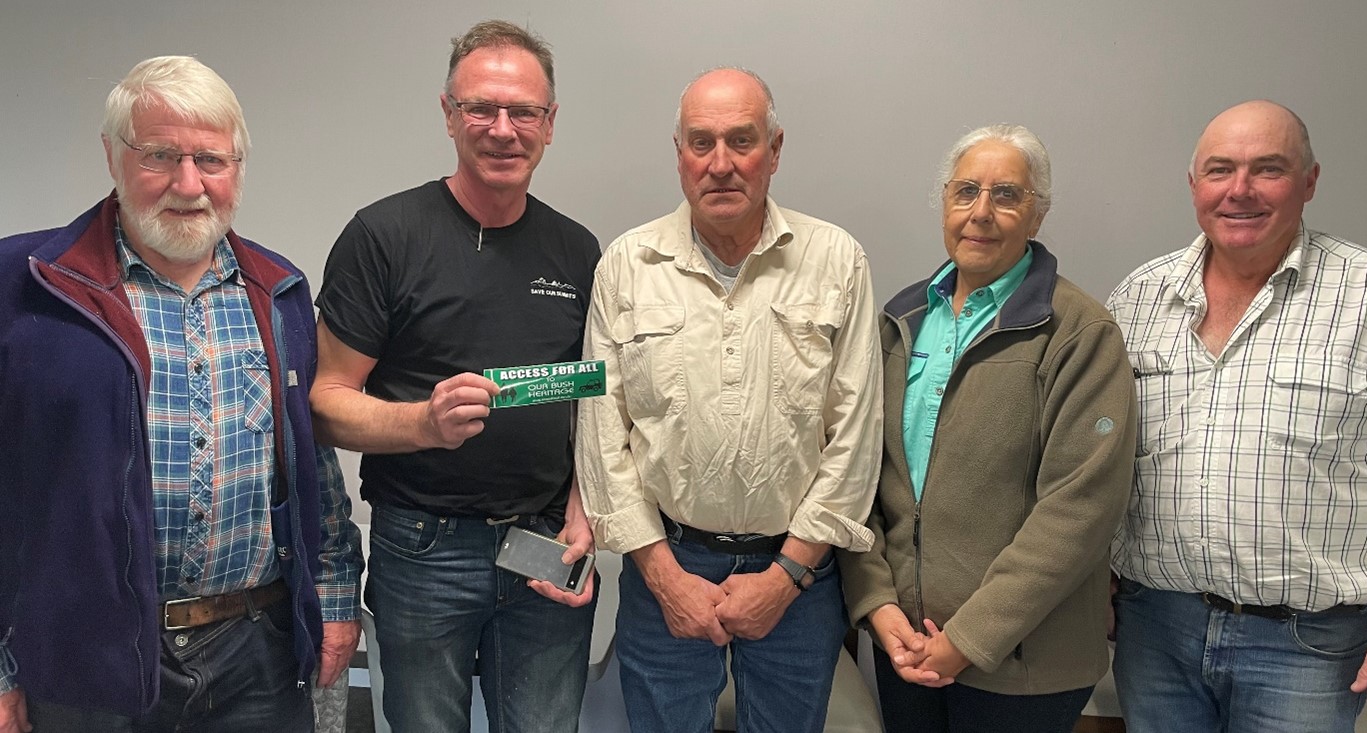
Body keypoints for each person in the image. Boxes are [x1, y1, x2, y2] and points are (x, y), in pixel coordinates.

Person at [0, 56, 361, 733]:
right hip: (88, 654)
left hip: (256, 647)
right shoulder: (28, 288)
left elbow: (311, 463)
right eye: (160, 156)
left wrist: (335, 596)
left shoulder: (279, 291)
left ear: (239, 167)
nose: (188, 184)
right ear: (112, 156)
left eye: (211, 160)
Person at [309, 19, 600, 733]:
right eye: (481, 108)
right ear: (448, 114)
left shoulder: (576, 248)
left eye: (522, 111)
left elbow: (595, 400)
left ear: (549, 123)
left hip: (542, 547)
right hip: (422, 549)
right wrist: (420, 421)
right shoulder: (383, 236)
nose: (502, 129)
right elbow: (323, 402)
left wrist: (587, 507)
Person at [575, 67, 883, 733]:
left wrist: (785, 577)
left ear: (773, 151)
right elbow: (601, 437)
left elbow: (856, 436)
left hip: (797, 572)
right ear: (679, 154)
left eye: (740, 141)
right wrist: (664, 578)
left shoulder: (835, 261)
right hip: (667, 563)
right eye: (700, 142)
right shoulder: (627, 265)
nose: (719, 164)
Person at [835, 124, 1135, 732]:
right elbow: (859, 474)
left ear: (1037, 214)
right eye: (966, 191)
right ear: (944, 204)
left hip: (1025, 665)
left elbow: (1079, 510)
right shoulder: (902, 319)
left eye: (1006, 195)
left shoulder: (1077, 332)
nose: (981, 213)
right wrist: (877, 606)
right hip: (905, 646)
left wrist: (966, 640)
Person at [1107, 99, 1367, 732]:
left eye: (1269, 169)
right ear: (1194, 183)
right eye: (1220, 170)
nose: (1240, 191)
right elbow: (1101, 461)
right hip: (1154, 631)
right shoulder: (1138, 298)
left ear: (1310, 182)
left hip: (1309, 646)